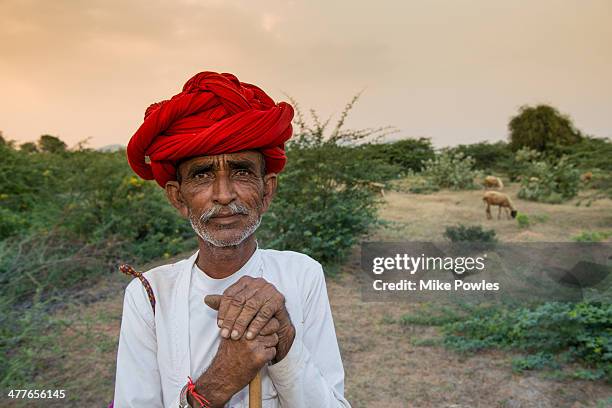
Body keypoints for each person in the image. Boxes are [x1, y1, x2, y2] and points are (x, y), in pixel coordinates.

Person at [113, 71, 351, 408]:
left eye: (240, 171)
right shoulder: (150, 295)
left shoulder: (302, 274)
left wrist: (284, 340)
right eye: (202, 175)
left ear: (266, 191)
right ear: (178, 198)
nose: (223, 195)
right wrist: (220, 381)